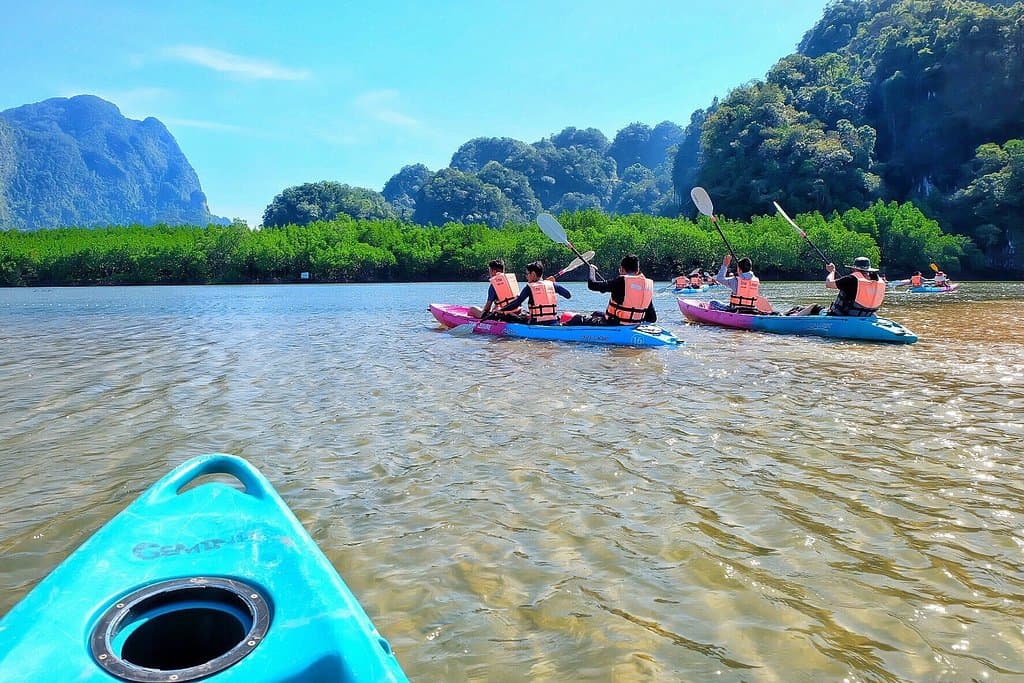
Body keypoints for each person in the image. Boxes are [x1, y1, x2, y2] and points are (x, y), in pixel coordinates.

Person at [568, 254, 656, 325]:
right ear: (638, 270)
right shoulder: (646, 286)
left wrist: (592, 270)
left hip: (615, 323)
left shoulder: (621, 281)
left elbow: (592, 285)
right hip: (635, 323)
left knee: (577, 319)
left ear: (621, 269)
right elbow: (652, 318)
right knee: (596, 314)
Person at [494, 261, 572, 324]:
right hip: (553, 322)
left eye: (527, 274)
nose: (526, 276)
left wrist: (502, 309)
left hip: (536, 323)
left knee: (509, 315)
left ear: (533, 274)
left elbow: (517, 303)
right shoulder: (552, 284)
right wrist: (553, 283)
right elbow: (568, 295)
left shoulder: (529, 287)